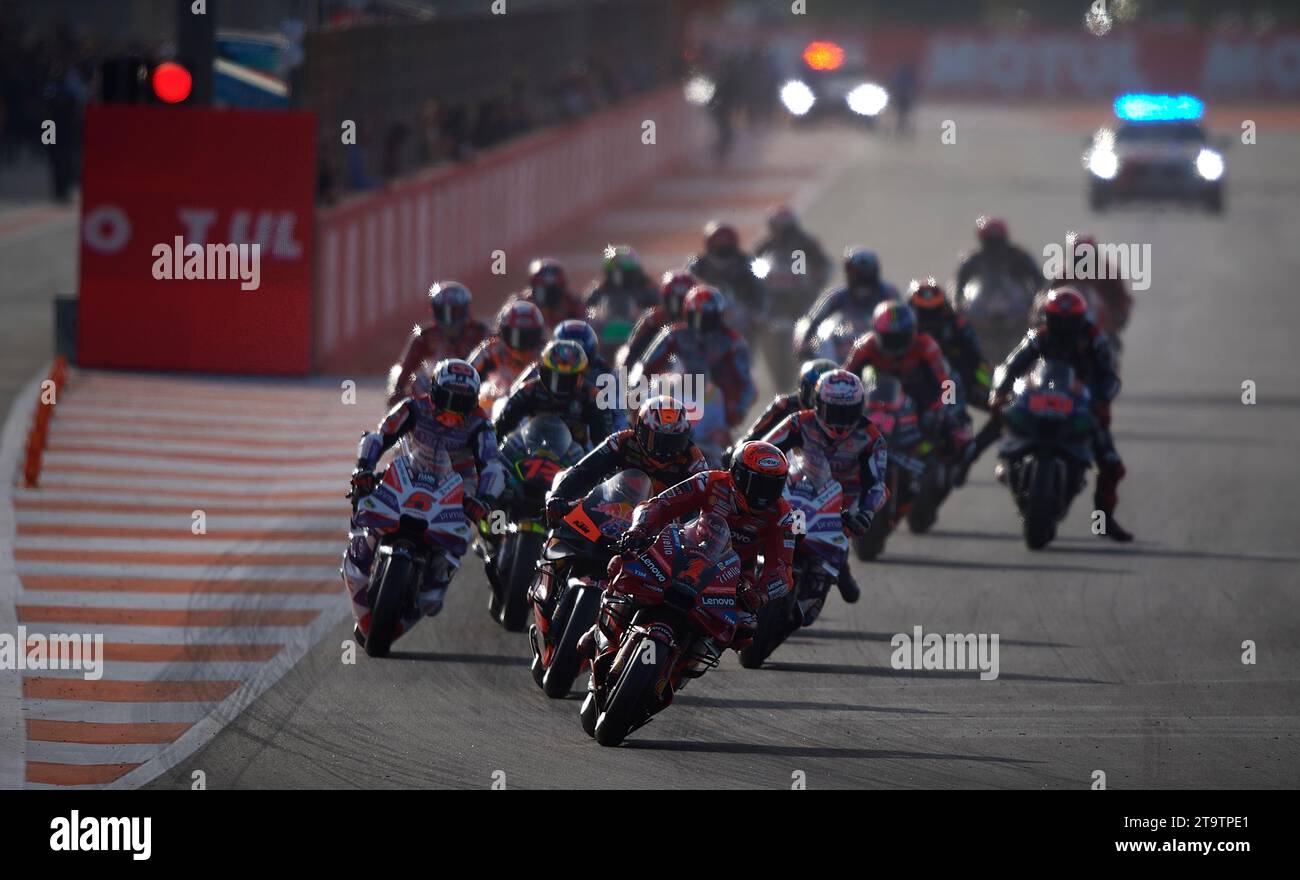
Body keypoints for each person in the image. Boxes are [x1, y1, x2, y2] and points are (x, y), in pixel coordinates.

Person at [344, 359, 504, 643]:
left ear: (474, 402)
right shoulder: (413, 406)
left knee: (465, 528)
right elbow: (380, 435)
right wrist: (363, 468)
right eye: (448, 398)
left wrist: (484, 499)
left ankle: (436, 580)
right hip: (409, 470)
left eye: (463, 401)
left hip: (457, 484)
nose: (454, 408)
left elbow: (491, 464)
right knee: (364, 496)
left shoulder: (482, 424)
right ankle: (360, 557)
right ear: (434, 392)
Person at [991, 287, 1132, 542]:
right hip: (1042, 397)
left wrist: (1100, 399)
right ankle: (1007, 465)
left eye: (1070, 320)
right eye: (1058, 319)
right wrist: (1000, 391)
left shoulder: (1094, 339)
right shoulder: (1039, 336)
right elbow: (1012, 364)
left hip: (1080, 404)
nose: (1064, 326)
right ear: (1048, 318)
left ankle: (1105, 520)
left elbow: (1110, 377)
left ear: (1081, 319)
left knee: (1111, 465)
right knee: (1004, 416)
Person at [618, 440, 796, 615]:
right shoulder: (709, 482)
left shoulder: (784, 516)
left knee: (745, 627)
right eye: (757, 484)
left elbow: (782, 571)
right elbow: (660, 504)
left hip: (736, 579)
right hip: (685, 554)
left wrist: (760, 595)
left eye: (773, 486)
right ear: (737, 475)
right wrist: (639, 528)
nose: (763, 495)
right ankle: (597, 635)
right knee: (623, 571)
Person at [760, 370, 887, 605]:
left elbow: (877, 484)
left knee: (840, 548)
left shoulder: (871, 437)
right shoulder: (799, 421)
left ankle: (839, 567)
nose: (840, 421)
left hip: (845, 501)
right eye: (834, 411)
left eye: (848, 412)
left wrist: (867, 514)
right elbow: (763, 449)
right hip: (802, 485)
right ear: (818, 404)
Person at [843, 301, 971, 467]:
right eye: (890, 338)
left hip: (921, 399)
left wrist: (943, 410)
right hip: (878, 398)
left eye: (901, 338)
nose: (896, 345)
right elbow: (845, 375)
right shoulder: (864, 346)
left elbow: (947, 382)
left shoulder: (926, 346)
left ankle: (943, 464)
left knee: (951, 430)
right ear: (877, 332)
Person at [546, 395, 708, 522]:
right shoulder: (622, 441)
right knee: (564, 516)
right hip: (607, 508)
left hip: (654, 528)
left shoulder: (694, 461)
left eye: (673, 442)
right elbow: (583, 471)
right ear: (640, 430)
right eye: (656, 440)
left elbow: (703, 506)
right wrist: (558, 496)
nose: (663, 451)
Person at [632, 284, 756, 429]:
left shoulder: (733, 341)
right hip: (676, 390)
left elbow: (745, 383)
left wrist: (737, 408)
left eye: (708, 319)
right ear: (686, 314)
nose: (701, 326)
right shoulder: (673, 334)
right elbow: (646, 363)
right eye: (696, 318)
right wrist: (634, 389)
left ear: (719, 317)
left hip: (713, 398)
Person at [908, 277, 998, 470]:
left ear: (944, 308)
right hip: (917, 382)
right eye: (923, 313)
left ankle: (970, 446)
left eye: (934, 312)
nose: (929, 320)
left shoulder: (957, 325)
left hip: (957, 381)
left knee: (1003, 409)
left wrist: (986, 385)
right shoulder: (905, 330)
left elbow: (976, 358)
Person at [493, 339, 614, 450]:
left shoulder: (591, 396)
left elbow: (604, 440)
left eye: (568, 379)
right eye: (555, 376)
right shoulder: (529, 390)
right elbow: (501, 426)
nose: (561, 384)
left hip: (575, 461)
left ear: (580, 376)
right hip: (531, 451)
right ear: (543, 371)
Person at [387, 281, 491, 405]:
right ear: (435, 311)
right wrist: (398, 391)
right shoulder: (425, 335)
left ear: (465, 311)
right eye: (444, 312)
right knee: (399, 372)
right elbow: (407, 367)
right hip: (434, 388)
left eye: (455, 312)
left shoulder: (479, 332)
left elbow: (492, 363)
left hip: (471, 388)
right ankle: (414, 414)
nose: (449, 319)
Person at [795, 247, 900, 359]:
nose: (862, 279)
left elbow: (902, 318)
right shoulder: (836, 296)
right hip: (843, 348)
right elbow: (813, 319)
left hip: (879, 351)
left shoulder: (889, 294)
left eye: (865, 274)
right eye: (857, 274)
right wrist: (804, 343)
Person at [733, 358, 837, 450]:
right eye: (816, 396)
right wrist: (735, 453)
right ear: (802, 389)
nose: (821, 405)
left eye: (832, 397)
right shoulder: (784, 405)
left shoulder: (848, 420)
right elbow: (754, 436)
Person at [617, 270, 695, 369]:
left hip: (695, 374)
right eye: (674, 301)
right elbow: (632, 351)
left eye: (682, 301)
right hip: (655, 375)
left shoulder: (699, 321)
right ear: (665, 298)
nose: (678, 307)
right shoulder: (653, 319)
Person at [687, 221, 767, 314]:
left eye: (726, 244)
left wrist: (757, 313)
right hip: (706, 310)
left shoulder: (746, 261)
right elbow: (688, 287)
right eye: (718, 244)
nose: (722, 247)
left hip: (741, 313)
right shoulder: (696, 262)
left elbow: (760, 289)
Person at [954, 215, 1044, 297]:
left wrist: (1039, 297)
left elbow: (1038, 278)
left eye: (998, 242)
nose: (994, 248)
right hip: (980, 303)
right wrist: (957, 301)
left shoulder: (1018, 255)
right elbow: (958, 282)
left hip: (1018, 305)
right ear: (982, 241)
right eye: (990, 243)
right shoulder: (973, 258)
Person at [469, 300, 547, 388]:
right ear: (502, 333)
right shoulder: (490, 351)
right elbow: (467, 374)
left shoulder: (546, 357)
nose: (522, 344)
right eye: (516, 337)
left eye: (528, 337)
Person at [515, 257, 587, 327]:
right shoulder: (521, 306)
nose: (549, 297)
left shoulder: (574, 305)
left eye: (553, 292)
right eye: (543, 291)